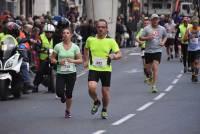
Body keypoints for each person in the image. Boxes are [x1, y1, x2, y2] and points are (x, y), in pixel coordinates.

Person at [83, 19, 122, 119]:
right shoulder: (90, 39)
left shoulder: (111, 41)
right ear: (96, 28)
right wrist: (86, 60)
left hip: (106, 69)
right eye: (99, 27)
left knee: (105, 92)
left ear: (106, 29)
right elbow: (86, 48)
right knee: (91, 87)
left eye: (103, 27)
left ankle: (104, 109)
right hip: (94, 68)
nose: (100, 29)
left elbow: (119, 54)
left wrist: (114, 56)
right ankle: (96, 101)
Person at [51, 27, 82, 118]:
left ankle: (68, 110)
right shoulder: (58, 46)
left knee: (69, 93)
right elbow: (52, 58)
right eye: (64, 33)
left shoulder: (75, 47)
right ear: (62, 35)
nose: (65, 34)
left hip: (71, 73)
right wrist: (58, 62)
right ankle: (62, 95)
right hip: (61, 72)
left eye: (68, 33)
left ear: (71, 35)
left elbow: (80, 60)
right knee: (59, 92)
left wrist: (73, 61)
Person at [139, 14, 167, 93]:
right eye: (154, 19)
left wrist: (163, 42)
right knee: (148, 70)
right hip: (148, 51)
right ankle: (150, 77)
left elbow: (165, 36)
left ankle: (154, 86)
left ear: (158, 20)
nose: (155, 21)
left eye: (156, 19)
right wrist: (147, 38)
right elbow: (140, 37)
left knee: (155, 68)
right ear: (151, 20)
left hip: (157, 50)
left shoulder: (162, 28)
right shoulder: (146, 29)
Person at [33, 23, 55, 93]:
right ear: (45, 32)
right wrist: (41, 49)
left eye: (50, 32)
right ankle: (35, 85)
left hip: (53, 57)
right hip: (43, 58)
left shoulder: (55, 38)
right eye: (47, 32)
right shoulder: (40, 37)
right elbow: (36, 46)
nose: (49, 33)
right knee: (40, 71)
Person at [184, 16, 200, 82]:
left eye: (196, 23)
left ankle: (196, 76)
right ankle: (193, 75)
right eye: (194, 23)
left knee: (197, 62)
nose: (195, 24)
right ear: (192, 23)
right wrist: (189, 37)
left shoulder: (199, 30)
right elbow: (184, 39)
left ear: (198, 23)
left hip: (198, 48)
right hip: (190, 49)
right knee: (192, 64)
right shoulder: (189, 30)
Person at [135, 17, 149, 82]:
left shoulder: (151, 30)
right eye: (145, 23)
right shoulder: (142, 30)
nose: (146, 24)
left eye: (147, 23)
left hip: (150, 49)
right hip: (143, 48)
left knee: (149, 63)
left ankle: (149, 75)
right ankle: (147, 75)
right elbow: (136, 38)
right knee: (144, 63)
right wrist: (140, 42)